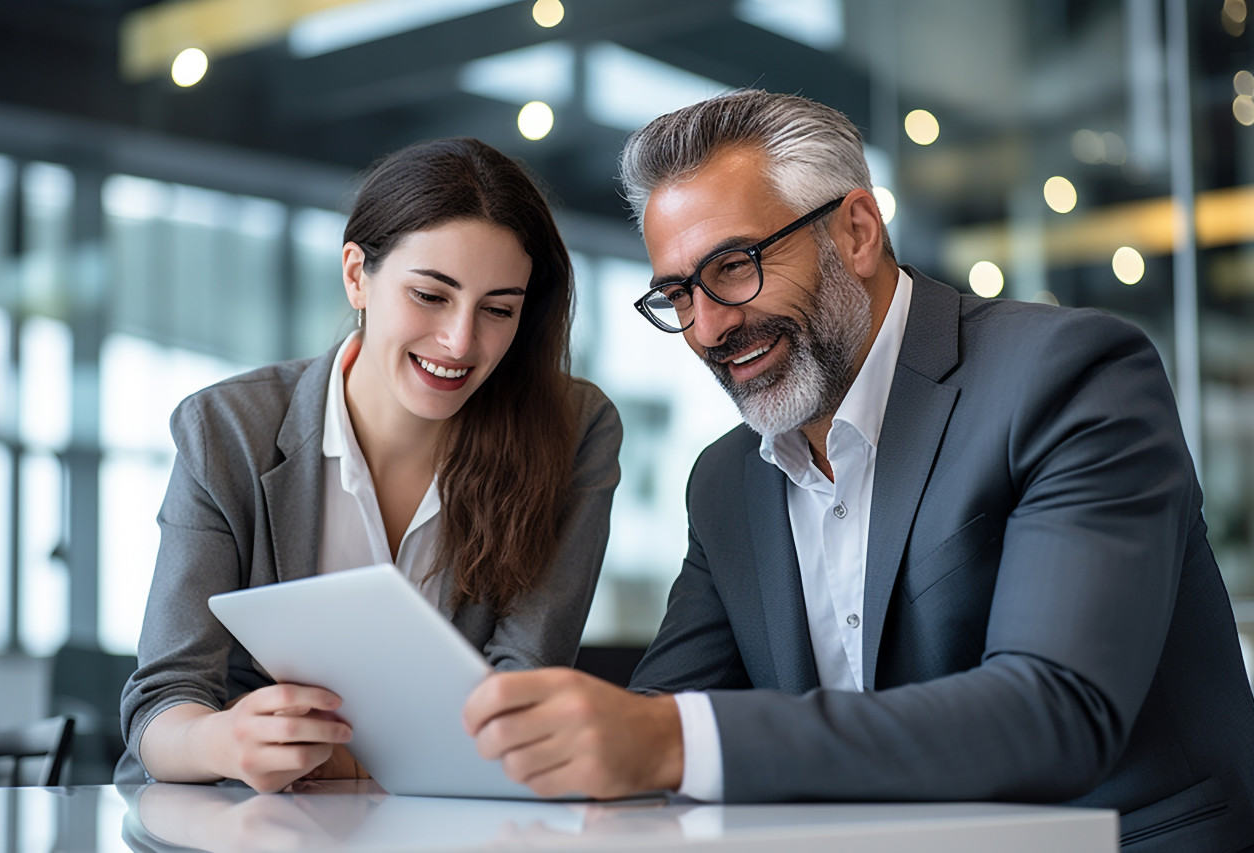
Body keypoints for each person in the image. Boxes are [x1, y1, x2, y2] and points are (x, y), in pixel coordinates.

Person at [462, 91, 1254, 850]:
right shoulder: (727, 480)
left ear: (857, 231)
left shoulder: (1067, 374)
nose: (707, 327)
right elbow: (661, 710)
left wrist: (669, 739)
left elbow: (1056, 709)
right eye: (677, 293)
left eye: (734, 266)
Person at [118, 137, 622, 793]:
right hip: (237, 815)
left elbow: (518, 691)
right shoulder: (227, 429)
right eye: (431, 295)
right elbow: (164, 700)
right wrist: (224, 738)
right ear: (357, 274)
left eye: (498, 309)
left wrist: (356, 764)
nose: (461, 341)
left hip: (449, 819)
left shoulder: (574, 429)